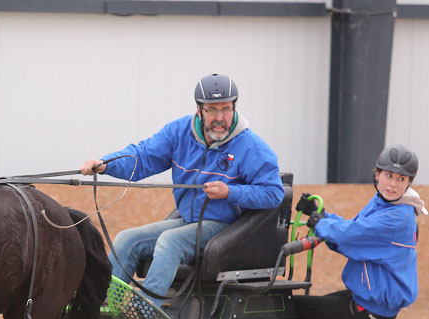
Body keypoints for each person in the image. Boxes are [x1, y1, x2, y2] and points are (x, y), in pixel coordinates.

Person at [80, 73, 284, 300]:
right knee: (127, 239)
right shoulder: (179, 133)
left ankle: (147, 315)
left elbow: (274, 193)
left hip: (227, 228)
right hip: (189, 221)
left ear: (234, 108)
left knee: (171, 241)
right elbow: (143, 156)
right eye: (212, 110)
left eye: (226, 109)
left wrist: (231, 192)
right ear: (199, 110)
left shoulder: (251, 146)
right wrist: (106, 165)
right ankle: (104, 307)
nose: (220, 117)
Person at [291, 144, 425, 319]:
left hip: (371, 313)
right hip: (366, 300)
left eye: (401, 179)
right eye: (388, 176)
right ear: (377, 174)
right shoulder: (383, 202)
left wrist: (320, 223)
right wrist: (319, 214)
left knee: (292, 309)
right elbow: (354, 230)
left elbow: (351, 234)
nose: (393, 184)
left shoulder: (398, 218)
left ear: (409, 183)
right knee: (299, 307)